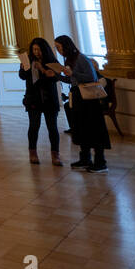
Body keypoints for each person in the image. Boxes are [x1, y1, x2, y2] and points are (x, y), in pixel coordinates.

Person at [54, 34, 109, 173]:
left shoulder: (81, 58)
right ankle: (85, 158)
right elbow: (72, 80)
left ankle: (100, 161)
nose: (58, 50)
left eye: (59, 47)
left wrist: (72, 73)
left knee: (94, 129)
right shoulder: (70, 60)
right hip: (79, 97)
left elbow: (91, 77)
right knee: (82, 128)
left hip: (89, 100)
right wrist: (57, 75)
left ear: (66, 46)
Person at [19, 37, 62, 165]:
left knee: (52, 127)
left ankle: (55, 155)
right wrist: (23, 69)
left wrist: (42, 69)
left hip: (49, 99)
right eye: (34, 50)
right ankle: (33, 153)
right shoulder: (29, 60)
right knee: (34, 126)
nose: (36, 52)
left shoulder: (51, 61)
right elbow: (23, 77)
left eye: (38, 49)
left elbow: (55, 78)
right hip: (34, 98)